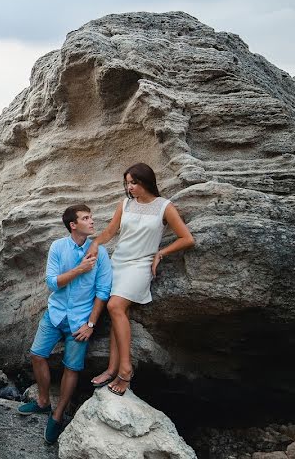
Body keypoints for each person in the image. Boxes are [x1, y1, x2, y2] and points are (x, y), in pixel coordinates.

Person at [86, 163, 195, 395]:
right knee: (118, 313)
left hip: (140, 265)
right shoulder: (124, 204)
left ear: (146, 182)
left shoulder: (164, 207)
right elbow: (109, 232)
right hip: (119, 263)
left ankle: (126, 370)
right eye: (127, 183)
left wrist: (161, 253)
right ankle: (112, 369)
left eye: (134, 183)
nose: (130, 187)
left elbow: (187, 238)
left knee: (115, 306)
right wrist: (95, 243)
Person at [18, 204, 112, 444]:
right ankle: (42, 402)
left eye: (91, 217)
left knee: (72, 367)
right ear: (73, 225)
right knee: (37, 355)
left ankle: (58, 415)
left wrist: (90, 324)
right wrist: (79, 269)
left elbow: (103, 291)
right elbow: (51, 283)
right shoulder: (58, 247)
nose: (92, 222)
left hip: (81, 320)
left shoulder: (100, 252)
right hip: (55, 314)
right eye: (86, 218)